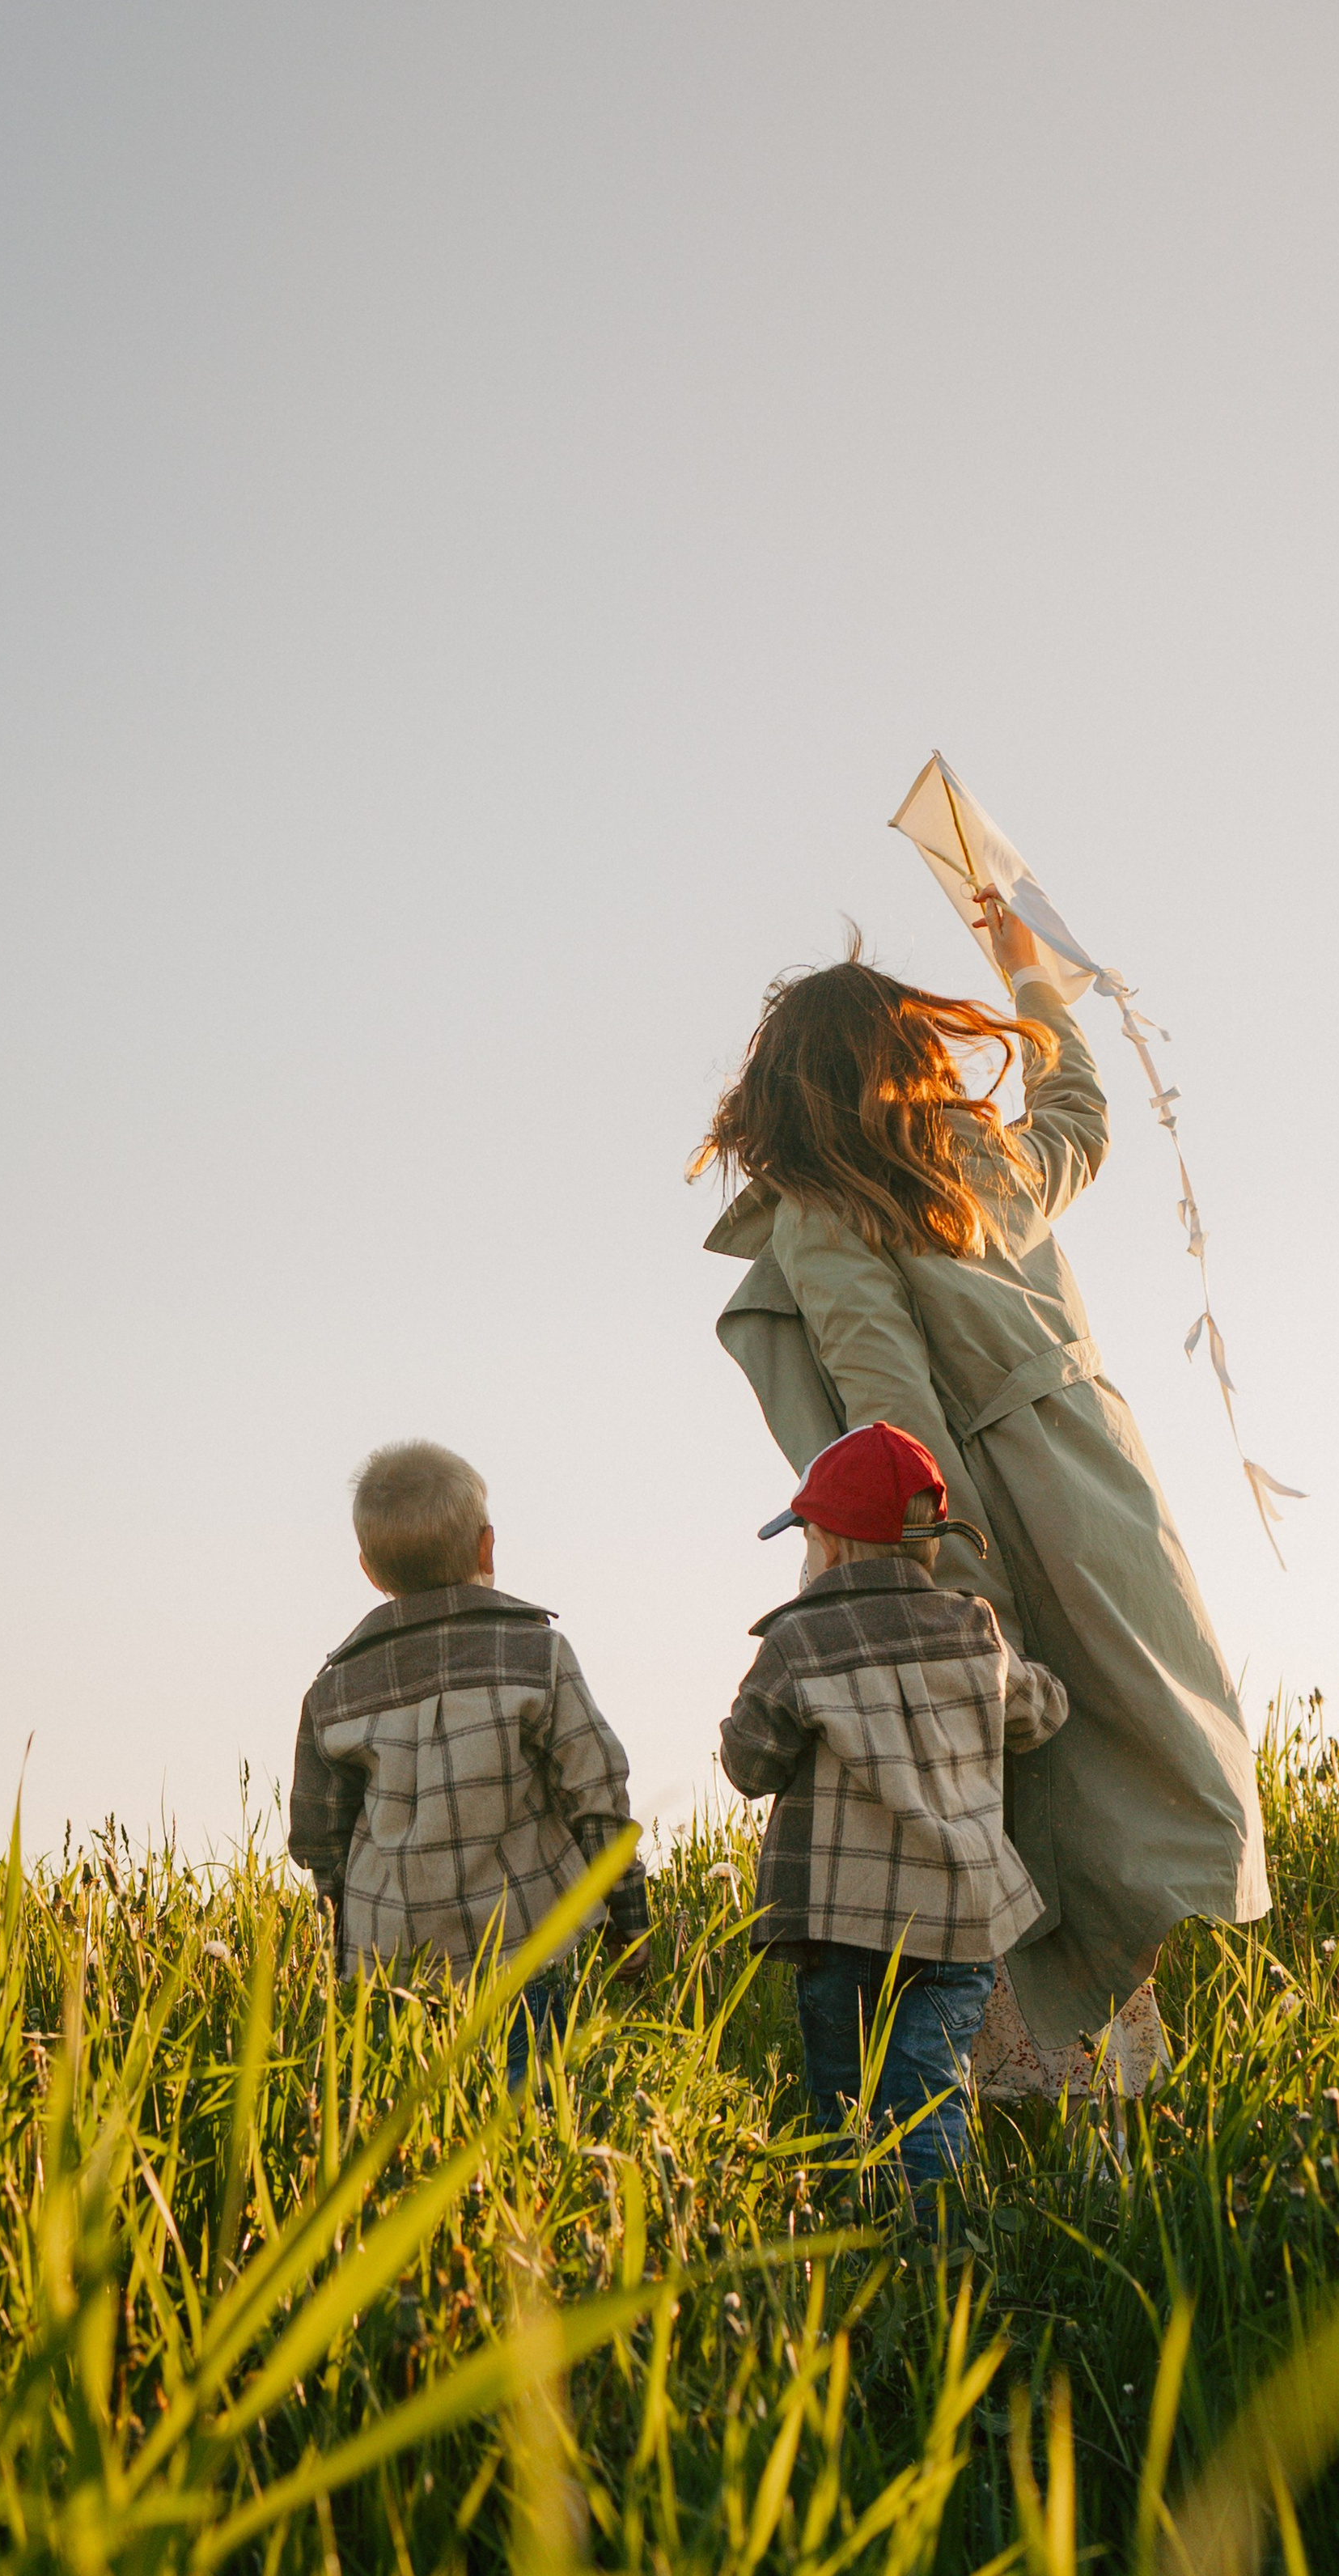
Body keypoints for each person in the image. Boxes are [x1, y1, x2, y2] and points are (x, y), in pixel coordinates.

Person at [696, 895, 1270, 2094]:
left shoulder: (823, 1209)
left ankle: (1007, 2100)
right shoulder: (986, 1158)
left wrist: (954, 1595)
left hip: (967, 1519)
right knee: (1108, 1761)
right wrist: (1030, 979)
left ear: (782, 1088)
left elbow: (888, 1411)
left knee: (980, 1789)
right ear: (909, 1058)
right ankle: (1107, 2094)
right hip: (1105, 1495)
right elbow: (1082, 1114)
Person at [717, 1417, 1070, 2200]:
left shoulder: (798, 1638)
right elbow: (1036, 1715)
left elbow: (749, 1764)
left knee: (842, 2095)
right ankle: (949, 2250)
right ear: (931, 1543)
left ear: (831, 1546)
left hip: (836, 1916)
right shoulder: (973, 1628)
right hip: (955, 1914)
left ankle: (854, 2246)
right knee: (927, 2086)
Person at [286, 1439, 650, 2087]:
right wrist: (628, 1920)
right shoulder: (537, 1653)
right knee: (536, 2121)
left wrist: (346, 1942)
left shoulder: (333, 1691)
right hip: (526, 1948)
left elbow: (319, 1839)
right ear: (487, 1547)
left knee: (418, 2129)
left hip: (391, 1968)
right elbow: (597, 1797)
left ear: (370, 1570)